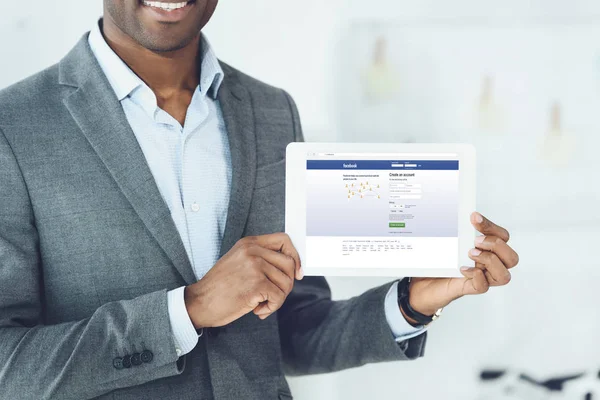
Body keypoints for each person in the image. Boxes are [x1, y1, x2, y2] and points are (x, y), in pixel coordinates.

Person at [0, 1, 520, 399]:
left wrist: (411, 300)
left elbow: (292, 329)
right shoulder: (15, 126)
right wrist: (189, 309)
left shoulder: (272, 112)